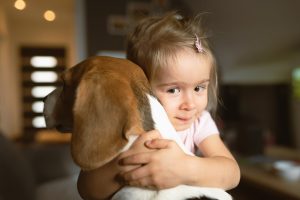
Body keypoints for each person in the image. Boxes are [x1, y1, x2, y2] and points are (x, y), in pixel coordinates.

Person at [77, 12, 240, 200]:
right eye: (173, 90)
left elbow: (232, 173)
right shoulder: (128, 121)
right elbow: (87, 190)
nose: (190, 104)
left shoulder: (200, 122)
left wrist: (184, 168)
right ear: (142, 87)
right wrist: (125, 164)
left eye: (199, 87)